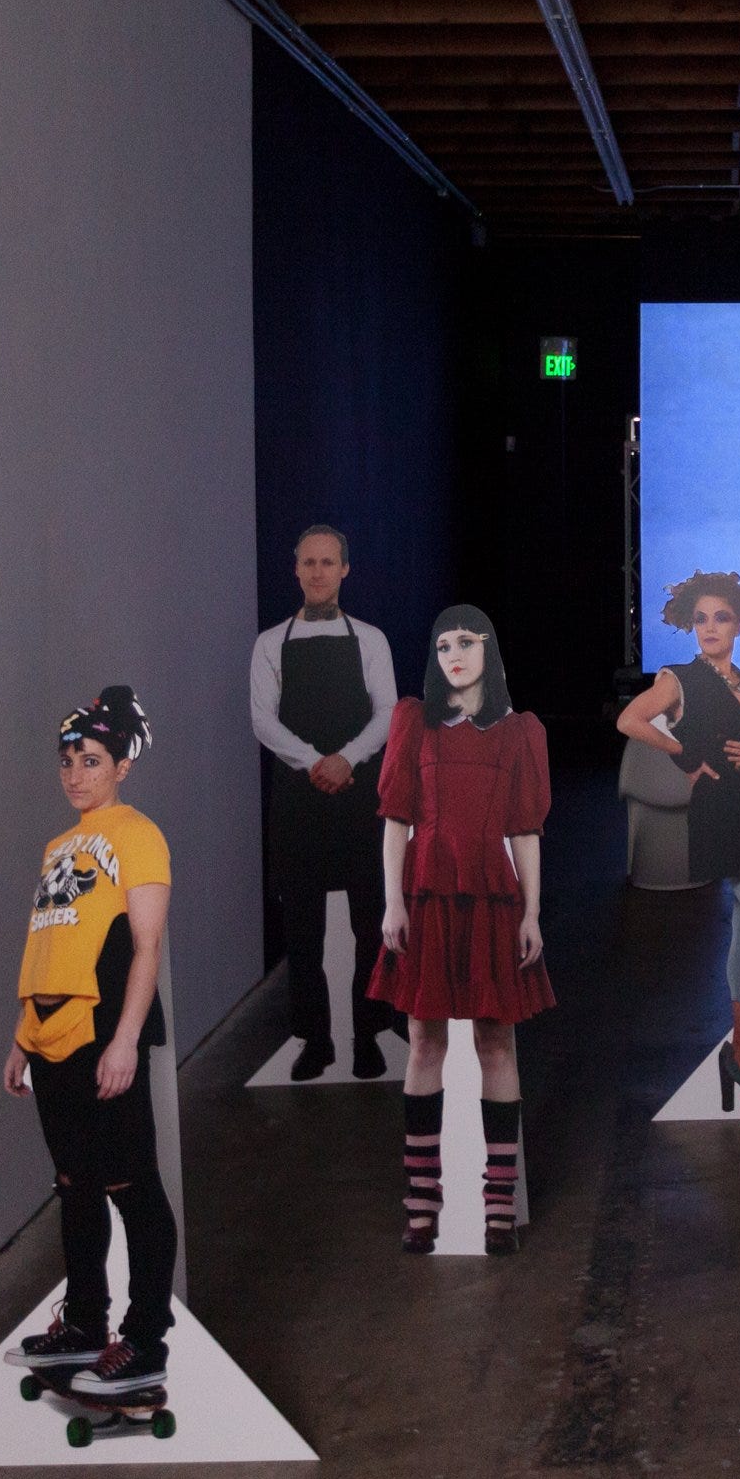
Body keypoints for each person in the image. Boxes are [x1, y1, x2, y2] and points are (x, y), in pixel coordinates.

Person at [2, 687, 182, 1400]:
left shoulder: (137, 833)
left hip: (104, 1032)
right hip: (51, 1039)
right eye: (68, 760)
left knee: (130, 1184)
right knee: (75, 1185)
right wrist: (22, 1037)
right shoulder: (59, 846)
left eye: (92, 760)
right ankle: (83, 1323)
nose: (76, 774)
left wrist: (127, 1039)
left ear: (122, 766)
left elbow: (146, 945)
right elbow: (49, 946)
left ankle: (144, 1339)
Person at [367, 606, 553, 1256]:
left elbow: (525, 830)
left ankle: (498, 1207)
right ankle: (422, 1205)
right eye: (443, 644)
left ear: (488, 650)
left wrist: (532, 912)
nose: (454, 654)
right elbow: (395, 821)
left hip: (493, 897)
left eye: (466, 642)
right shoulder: (413, 722)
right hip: (425, 895)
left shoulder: (519, 732)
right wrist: (392, 903)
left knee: (495, 1041)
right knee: (423, 1040)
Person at [618, 569, 740, 1103]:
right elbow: (630, 720)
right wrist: (686, 756)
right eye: (700, 619)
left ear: (738, 625)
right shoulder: (679, 679)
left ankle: (737, 1047)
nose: (710, 627)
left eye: (721, 618)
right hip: (720, 811)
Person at [250, 524, 402, 1080]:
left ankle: (368, 1035)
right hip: (299, 800)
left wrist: (347, 759)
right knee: (302, 929)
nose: (318, 572)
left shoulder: (372, 640)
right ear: (296, 570)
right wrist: (317, 761)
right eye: (309, 562)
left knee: (371, 922)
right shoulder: (270, 644)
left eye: (328, 562)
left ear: (345, 570)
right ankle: (315, 1040)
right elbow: (262, 720)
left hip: (359, 797)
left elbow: (388, 712)